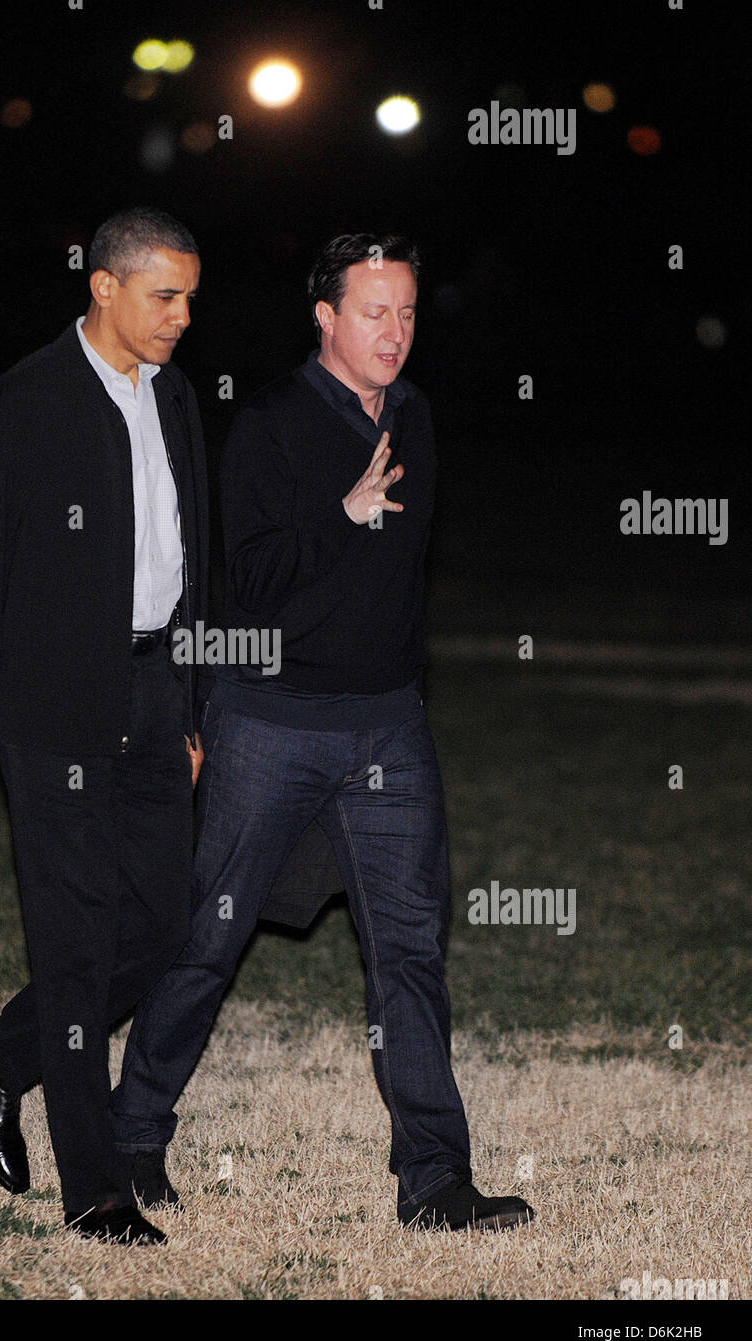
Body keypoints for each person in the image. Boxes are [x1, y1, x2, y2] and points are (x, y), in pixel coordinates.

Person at [110, 232, 536, 1232]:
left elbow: (405, 575)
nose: (394, 333)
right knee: (206, 939)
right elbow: (245, 584)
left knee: (410, 953)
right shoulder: (269, 426)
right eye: (373, 312)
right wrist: (342, 514)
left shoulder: (417, 418)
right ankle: (130, 1139)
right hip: (271, 722)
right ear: (325, 317)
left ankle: (434, 1181)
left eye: (407, 312)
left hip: (388, 727)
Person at [0, 207, 207, 1245]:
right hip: (50, 710)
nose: (182, 316)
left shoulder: (172, 397)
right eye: (163, 295)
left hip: (152, 689)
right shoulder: (24, 403)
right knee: (77, 941)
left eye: (188, 296)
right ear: (103, 286)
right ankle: (95, 1190)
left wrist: (190, 706)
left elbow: (191, 563)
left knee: (164, 928)